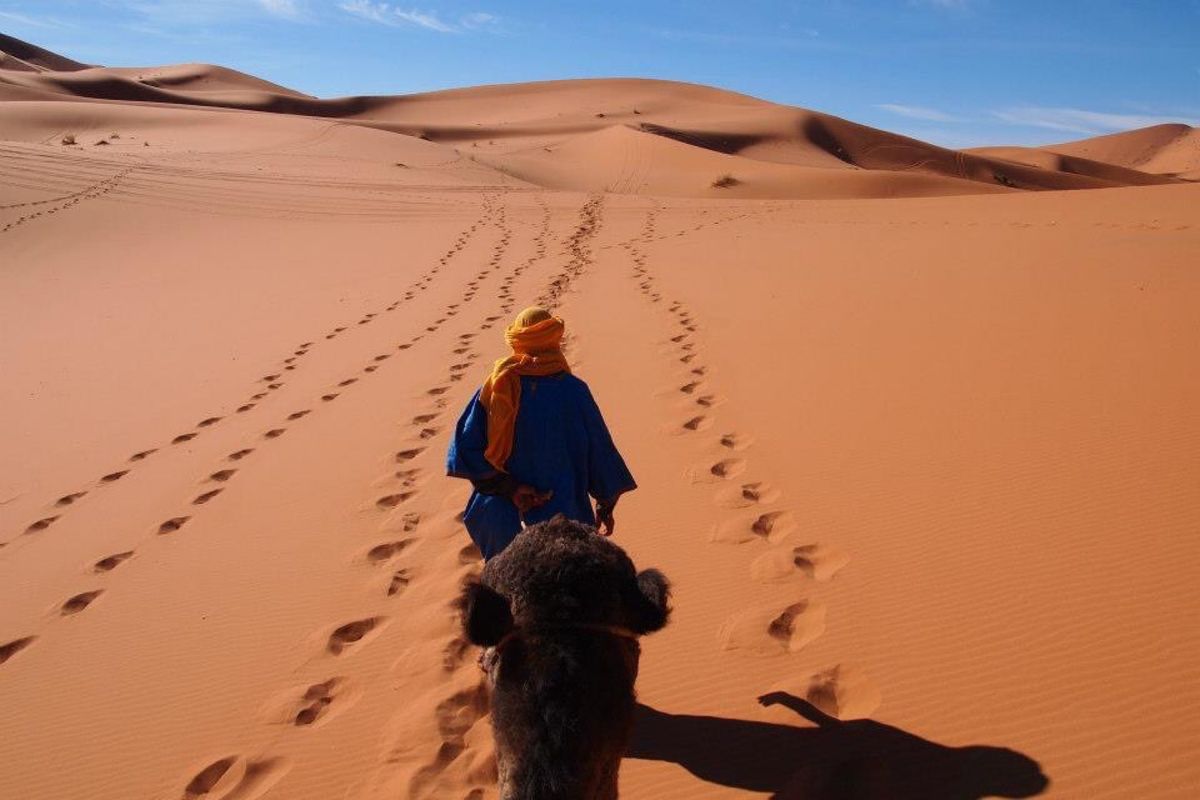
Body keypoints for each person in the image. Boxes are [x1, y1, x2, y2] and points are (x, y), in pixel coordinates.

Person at [447, 306, 636, 560]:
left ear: (516, 343)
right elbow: (600, 454)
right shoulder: (574, 392)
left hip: (503, 524)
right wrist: (605, 505)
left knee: (505, 580)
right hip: (564, 525)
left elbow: (465, 451)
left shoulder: (495, 388)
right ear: (555, 340)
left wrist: (511, 489)